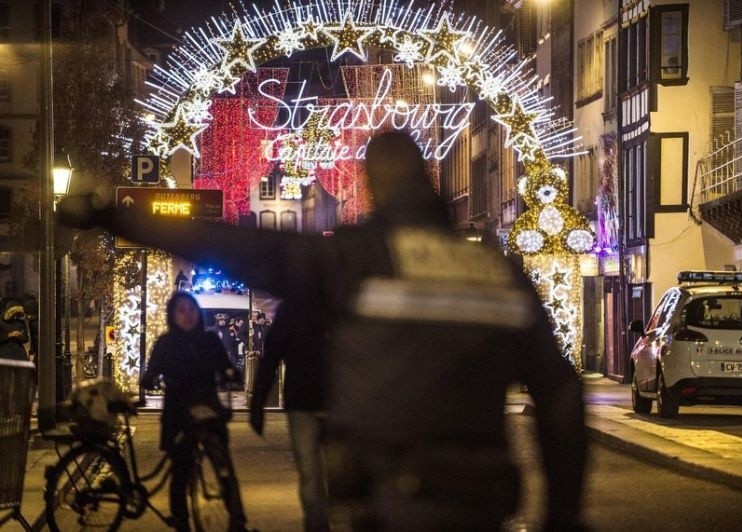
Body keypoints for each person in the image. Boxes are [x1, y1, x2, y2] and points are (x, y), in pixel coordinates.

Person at [59, 131, 587, 530]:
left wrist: (115, 217)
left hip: (387, 497)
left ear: (371, 185)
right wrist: (563, 515)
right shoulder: (499, 272)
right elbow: (561, 396)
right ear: (429, 179)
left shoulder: (354, 259)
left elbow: (233, 246)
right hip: (481, 499)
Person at [141, 292, 248, 532]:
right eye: (181, 310)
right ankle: (182, 522)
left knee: (224, 468)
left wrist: (232, 375)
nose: (187, 315)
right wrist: (151, 379)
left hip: (207, 409)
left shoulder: (209, 340)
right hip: (178, 414)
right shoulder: (165, 344)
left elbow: (226, 366)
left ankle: (237, 519)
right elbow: (151, 373)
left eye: (191, 309)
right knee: (180, 471)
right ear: (172, 315)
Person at [250, 301, 329, 532]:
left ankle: (318, 525)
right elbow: (271, 357)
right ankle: (322, 524)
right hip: (324, 399)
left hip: (306, 400)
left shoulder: (292, 310)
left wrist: (258, 404)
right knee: (321, 470)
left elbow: (271, 358)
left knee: (312, 472)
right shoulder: (336, 301)